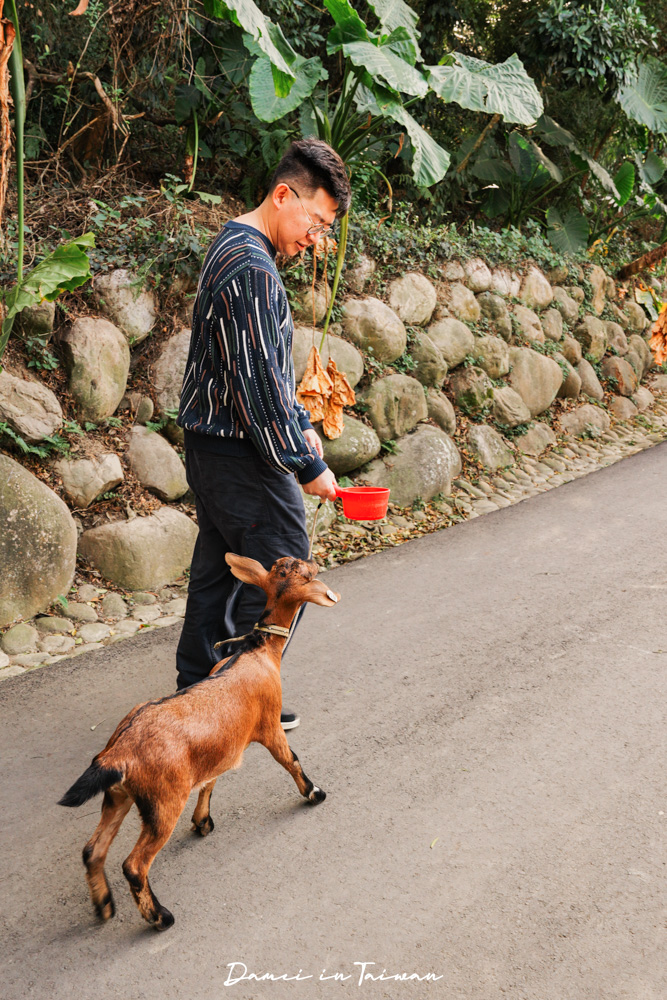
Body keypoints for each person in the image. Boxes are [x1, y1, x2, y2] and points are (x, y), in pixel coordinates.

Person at [174, 138, 351, 729]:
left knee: (220, 572)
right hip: (238, 451)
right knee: (287, 571)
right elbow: (256, 389)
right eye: (315, 221)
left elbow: (264, 370)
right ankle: (238, 700)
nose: (316, 237)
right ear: (282, 195)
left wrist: (301, 423)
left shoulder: (238, 248)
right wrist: (306, 463)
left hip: (215, 445)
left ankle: (197, 694)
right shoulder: (251, 267)